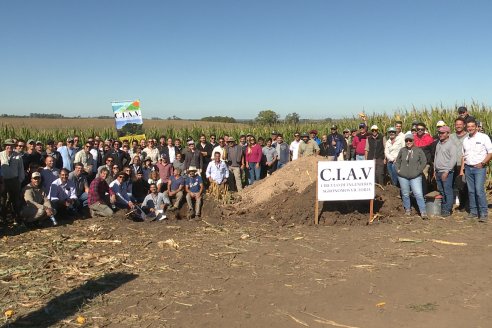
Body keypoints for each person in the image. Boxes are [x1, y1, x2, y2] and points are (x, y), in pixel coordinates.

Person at [459, 120, 492, 222]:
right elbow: (463, 156)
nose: (470, 128)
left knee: (479, 191)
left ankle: (483, 213)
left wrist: (482, 163)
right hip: (468, 168)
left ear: (477, 127)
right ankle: (473, 212)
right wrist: (462, 170)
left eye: (472, 126)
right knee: (471, 191)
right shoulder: (466, 140)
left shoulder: (483, 137)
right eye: (468, 126)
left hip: (479, 168)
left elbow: (490, 152)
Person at [395, 133, 428, 219]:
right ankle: (408, 210)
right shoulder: (402, 150)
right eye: (407, 140)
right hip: (403, 176)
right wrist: (398, 170)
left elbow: (424, 161)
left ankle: (423, 211)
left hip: (415, 176)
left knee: (418, 194)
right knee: (405, 194)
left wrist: (419, 170)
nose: (408, 142)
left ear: (413, 141)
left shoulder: (418, 150)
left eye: (410, 140)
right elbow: (397, 161)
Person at [434, 125, 458, 217]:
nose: (440, 134)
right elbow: (436, 157)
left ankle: (448, 209)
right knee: (441, 190)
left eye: (443, 133)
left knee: (447, 190)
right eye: (439, 133)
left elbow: (453, 159)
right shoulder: (439, 143)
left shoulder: (451, 144)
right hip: (438, 171)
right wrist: (435, 170)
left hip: (446, 172)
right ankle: (443, 207)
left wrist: (447, 171)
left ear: (448, 134)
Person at [0, 139, 25, 221]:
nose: (9, 147)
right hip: (3, 181)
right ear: (4, 146)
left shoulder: (18, 156)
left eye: (11, 145)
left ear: (14, 146)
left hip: (14, 181)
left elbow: (21, 169)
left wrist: (20, 181)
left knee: (15, 200)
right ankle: (3, 218)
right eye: (7, 145)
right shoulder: (0, 155)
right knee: (3, 200)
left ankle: (16, 218)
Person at [450, 117, 468, 210]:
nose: (458, 126)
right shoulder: (451, 136)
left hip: (464, 165)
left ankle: (464, 205)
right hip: (452, 165)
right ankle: (456, 203)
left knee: (464, 185)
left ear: (464, 125)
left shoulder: (468, 136)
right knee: (454, 185)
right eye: (457, 124)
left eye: (460, 124)